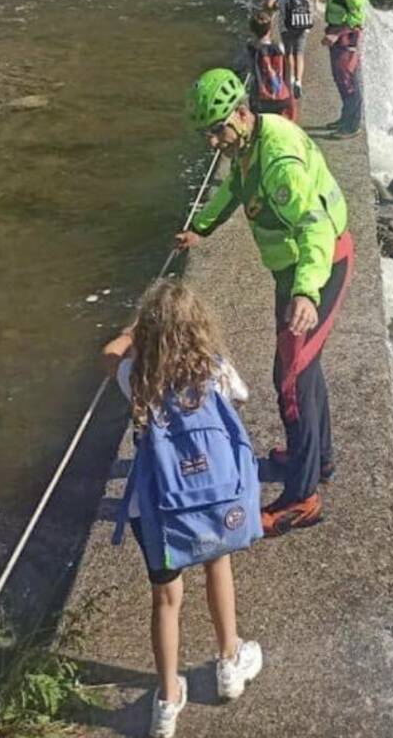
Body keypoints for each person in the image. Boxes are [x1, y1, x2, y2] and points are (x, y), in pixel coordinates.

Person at [176, 68, 354, 538]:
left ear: (240, 113)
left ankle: (303, 499)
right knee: (304, 370)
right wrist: (204, 227)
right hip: (295, 268)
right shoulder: (249, 144)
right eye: (206, 134)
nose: (213, 142)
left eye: (217, 129)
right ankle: (317, 458)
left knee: (292, 378)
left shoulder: (277, 162)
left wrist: (304, 293)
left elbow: (314, 226)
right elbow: (236, 187)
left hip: (318, 267)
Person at [102, 280, 263, 738]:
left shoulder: (135, 377)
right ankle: (229, 661)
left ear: (150, 332)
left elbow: (107, 353)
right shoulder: (216, 370)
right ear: (199, 327)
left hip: (156, 507)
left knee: (167, 599)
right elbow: (242, 397)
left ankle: (168, 701)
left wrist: (133, 332)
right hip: (211, 497)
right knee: (218, 565)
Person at [322, 0, 366, 139]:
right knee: (339, 77)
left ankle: (352, 125)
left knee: (347, 78)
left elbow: (356, 16)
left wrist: (337, 34)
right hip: (337, 31)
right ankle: (345, 117)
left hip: (347, 35)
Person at [266, 0, 314, 100]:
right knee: (299, 53)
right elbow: (307, 4)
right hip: (302, 25)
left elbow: (268, 5)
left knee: (289, 53)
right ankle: (299, 81)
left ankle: (291, 79)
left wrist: (277, 6)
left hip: (286, 26)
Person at [247, 9, 297, 122]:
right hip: (280, 96)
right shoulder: (279, 47)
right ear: (270, 29)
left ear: (252, 31)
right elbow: (287, 71)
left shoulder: (252, 49)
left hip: (260, 98)